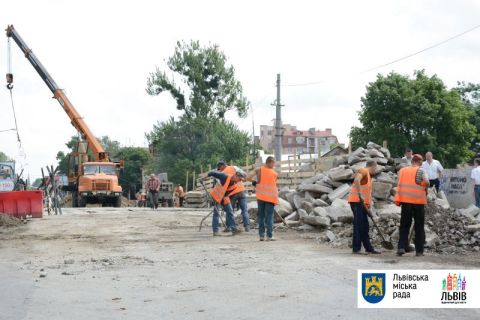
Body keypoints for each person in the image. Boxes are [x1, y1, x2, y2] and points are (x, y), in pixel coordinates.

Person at [395, 154, 430, 257]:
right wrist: (423, 186)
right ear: (419, 162)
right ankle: (419, 251)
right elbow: (427, 182)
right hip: (418, 202)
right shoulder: (421, 170)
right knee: (419, 226)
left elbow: (399, 183)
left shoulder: (402, 171)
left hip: (405, 202)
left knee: (404, 225)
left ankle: (401, 247)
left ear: (412, 161)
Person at [347, 160, 381, 254]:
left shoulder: (369, 176)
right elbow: (357, 180)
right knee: (358, 226)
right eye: (376, 167)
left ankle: (368, 248)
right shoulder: (364, 171)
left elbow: (367, 193)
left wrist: (368, 207)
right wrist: (359, 194)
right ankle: (356, 249)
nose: (376, 169)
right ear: (372, 166)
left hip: (362, 204)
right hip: (357, 202)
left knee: (365, 226)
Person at [247, 156, 278, 241]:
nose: (274, 165)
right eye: (273, 163)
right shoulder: (274, 173)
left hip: (260, 197)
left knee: (261, 216)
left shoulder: (259, 169)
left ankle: (261, 236)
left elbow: (247, 177)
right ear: (270, 162)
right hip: (270, 198)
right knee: (269, 217)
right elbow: (274, 186)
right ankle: (269, 236)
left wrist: (254, 182)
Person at [204, 169, 243, 236]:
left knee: (230, 212)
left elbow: (228, 193)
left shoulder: (234, 184)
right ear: (235, 176)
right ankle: (215, 231)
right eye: (239, 179)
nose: (239, 181)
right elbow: (213, 172)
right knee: (216, 213)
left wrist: (225, 205)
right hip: (216, 195)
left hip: (224, 197)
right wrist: (205, 177)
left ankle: (234, 229)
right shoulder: (224, 176)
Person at [217, 160, 250, 231]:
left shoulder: (223, 173)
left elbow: (222, 186)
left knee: (229, 210)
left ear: (222, 166)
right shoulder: (234, 167)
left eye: (219, 168)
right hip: (241, 191)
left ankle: (228, 227)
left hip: (232, 193)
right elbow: (244, 174)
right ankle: (247, 226)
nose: (219, 170)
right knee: (244, 209)